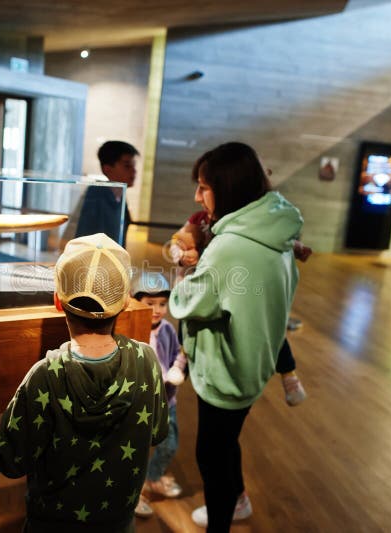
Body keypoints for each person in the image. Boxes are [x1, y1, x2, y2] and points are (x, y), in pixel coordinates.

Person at [0, 233, 169, 533]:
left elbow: (10, 458)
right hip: (119, 524)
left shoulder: (44, 375)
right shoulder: (146, 360)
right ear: (125, 301)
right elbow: (158, 431)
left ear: (57, 301)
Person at [170, 142, 303, 531]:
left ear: (226, 188)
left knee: (211, 456)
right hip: (254, 360)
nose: (197, 196)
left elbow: (187, 304)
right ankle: (239, 498)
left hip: (226, 370)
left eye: (204, 186)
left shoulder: (229, 247)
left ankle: (223, 520)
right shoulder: (276, 232)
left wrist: (183, 279)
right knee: (225, 444)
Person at [169, 210, 309, 406]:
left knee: (272, 330)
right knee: (190, 320)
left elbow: (270, 238)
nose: (198, 196)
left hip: (239, 283)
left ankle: (289, 374)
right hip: (203, 284)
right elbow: (178, 241)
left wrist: (296, 247)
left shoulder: (244, 222)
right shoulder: (199, 220)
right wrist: (182, 254)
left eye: (203, 188)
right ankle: (181, 360)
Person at [128, 272, 187, 519]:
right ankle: (130, 496)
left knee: (170, 443)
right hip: (138, 405)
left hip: (166, 401)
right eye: (150, 303)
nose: (157, 309)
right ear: (136, 300)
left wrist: (177, 368)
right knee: (133, 452)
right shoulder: (131, 329)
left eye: (162, 304)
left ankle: (152, 477)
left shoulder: (168, 330)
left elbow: (179, 353)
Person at [75, 141, 139, 246]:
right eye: (127, 166)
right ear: (107, 168)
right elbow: (84, 235)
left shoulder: (120, 195)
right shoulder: (96, 195)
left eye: (133, 165)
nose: (134, 171)